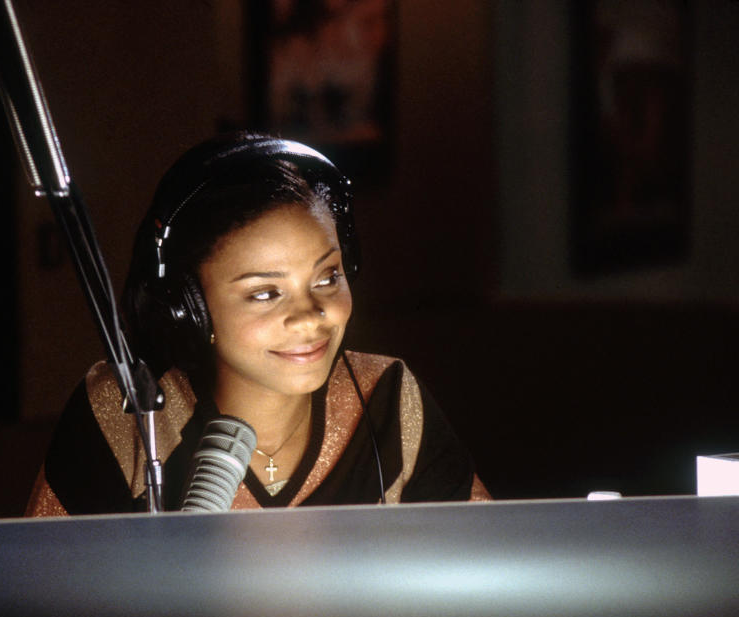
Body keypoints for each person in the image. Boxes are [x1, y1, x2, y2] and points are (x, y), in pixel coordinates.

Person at [26, 132, 490, 516]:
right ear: (189, 306)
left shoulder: (389, 397)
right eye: (265, 293)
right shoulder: (126, 413)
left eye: (328, 276)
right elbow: (41, 603)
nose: (311, 315)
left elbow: (481, 579)